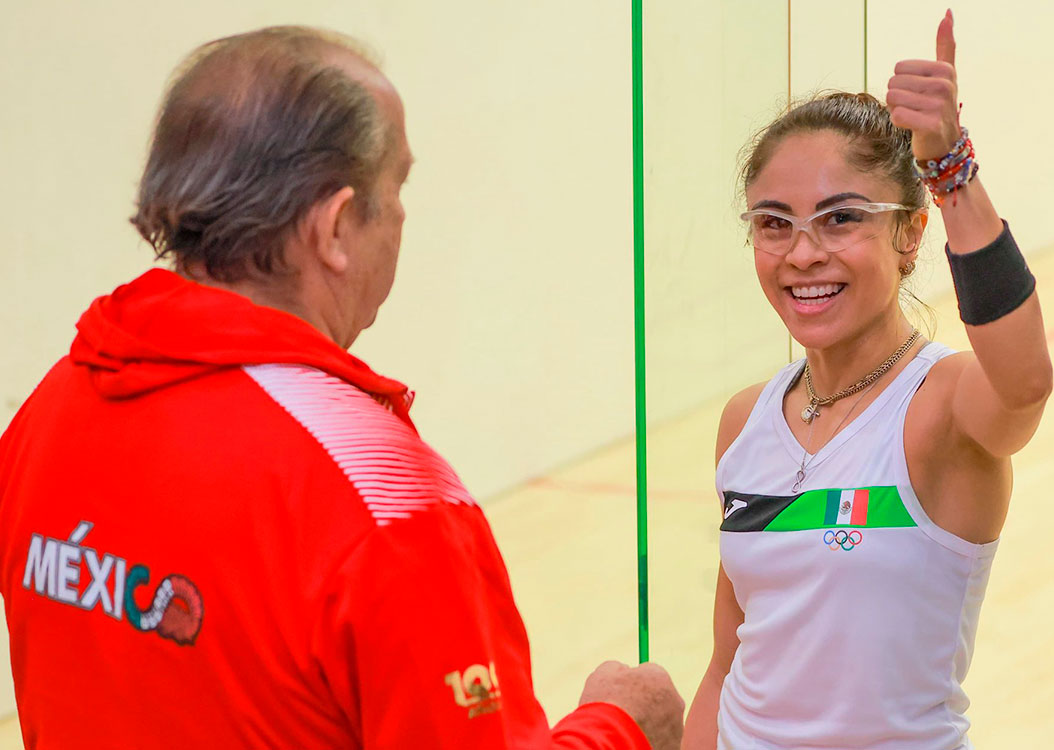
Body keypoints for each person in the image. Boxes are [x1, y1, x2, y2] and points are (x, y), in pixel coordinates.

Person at [0, 26, 684, 749]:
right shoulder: (382, 502)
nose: (402, 217)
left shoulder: (49, 413)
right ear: (332, 228)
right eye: (397, 187)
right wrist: (621, 727)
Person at [682, 11, 1052, 750]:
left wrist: (951, 170)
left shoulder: (939, 408)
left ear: (910, 234)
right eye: (774, 223)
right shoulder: (745, 420)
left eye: (841, 218)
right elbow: (728, 666)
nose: (802, 254)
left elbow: (1025, 383)